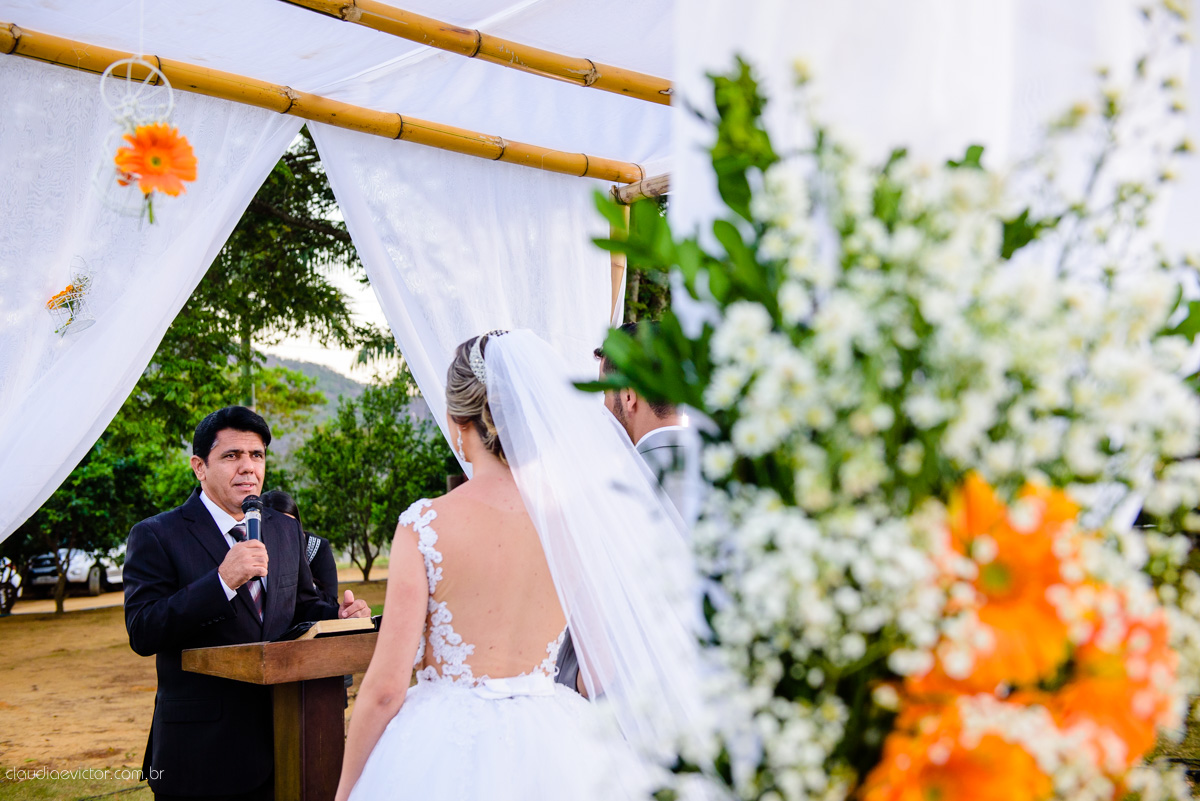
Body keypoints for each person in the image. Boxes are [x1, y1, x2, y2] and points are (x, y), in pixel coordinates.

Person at [335, 331, 714, 801]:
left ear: (458, 421)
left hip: (443, 747)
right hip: (552, 739)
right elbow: (598, 671)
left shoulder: (424, 524)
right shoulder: (573, 522)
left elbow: (387, 690)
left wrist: (348, 788)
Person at [123, 406, 371, 801]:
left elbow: (303, 606)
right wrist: (222, 581)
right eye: (231, 456)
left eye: (256, 456)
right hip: (201, 751)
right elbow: (143, 629)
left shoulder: (284, 528)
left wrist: (337, 616)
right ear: (199, 467)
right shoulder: (156, 534)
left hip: (288, 739)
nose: (248, 468)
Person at [597, 321, 703, 527]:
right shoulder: (723, 469)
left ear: (629, 396)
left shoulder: (616, 488)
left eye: (605, 392)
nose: (603, 406)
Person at [260, 490, 338, 607]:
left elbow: (331, 603)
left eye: (289, 524)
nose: (284, 533)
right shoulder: (257, 552)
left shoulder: (318, 548)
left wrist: (302, 577)